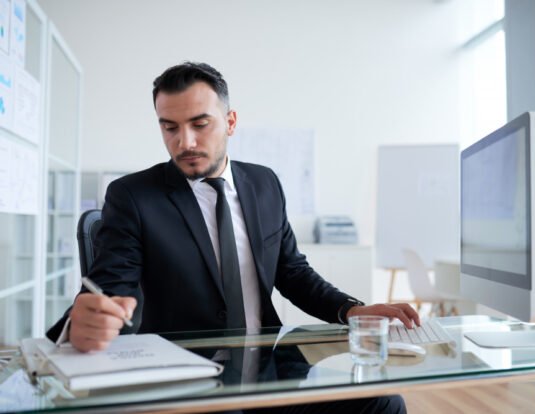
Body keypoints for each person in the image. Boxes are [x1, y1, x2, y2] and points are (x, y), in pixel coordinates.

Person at [47, 62, 419, 413]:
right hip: (187, 379)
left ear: (230, 122)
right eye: (170, 127)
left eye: (200, 123)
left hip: (270, 369)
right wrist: (83, 322)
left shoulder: (264, 183)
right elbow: (110, 287)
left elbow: (292, 271)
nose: (185, 141)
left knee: (384, 403)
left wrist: (352, 310)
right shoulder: (133, 196)